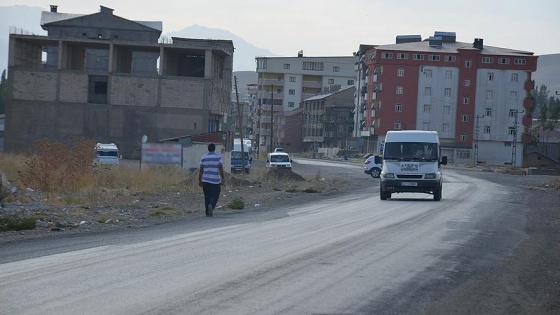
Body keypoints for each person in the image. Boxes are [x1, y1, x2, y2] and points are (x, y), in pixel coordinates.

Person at [198, 143, 225, 217]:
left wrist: (200, 180)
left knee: (207, 196)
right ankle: (211, 205)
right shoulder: (218, 157)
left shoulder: (203, 157)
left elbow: (201, 170)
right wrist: (223, 178)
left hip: (205, 180)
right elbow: (220, 168)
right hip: (215, 180)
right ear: (214, 149)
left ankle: (207, 212)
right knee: (215, 195)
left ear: (208, 149)